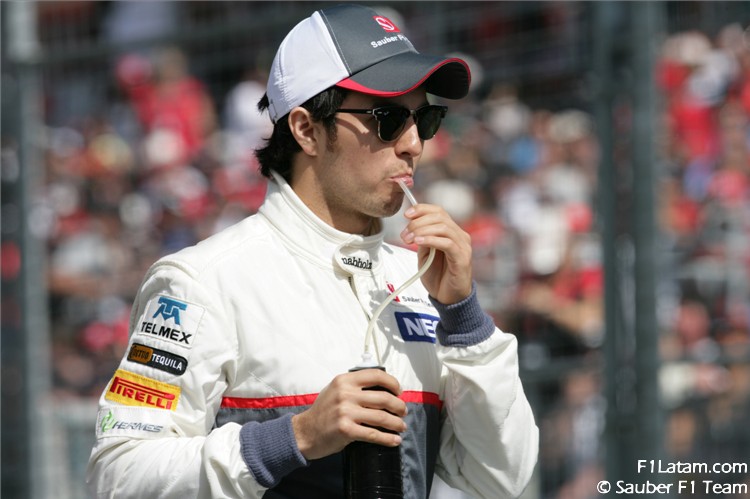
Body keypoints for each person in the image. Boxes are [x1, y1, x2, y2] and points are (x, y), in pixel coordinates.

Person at [87, 4, 539, 498]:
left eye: (426, 118)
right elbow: (119, 475)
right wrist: (296, 437)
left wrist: (464, 317)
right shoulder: (201, 282)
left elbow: (501, 477)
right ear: (306, 129)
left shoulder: (424, 282)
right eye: (389, 119)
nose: (414, 144)